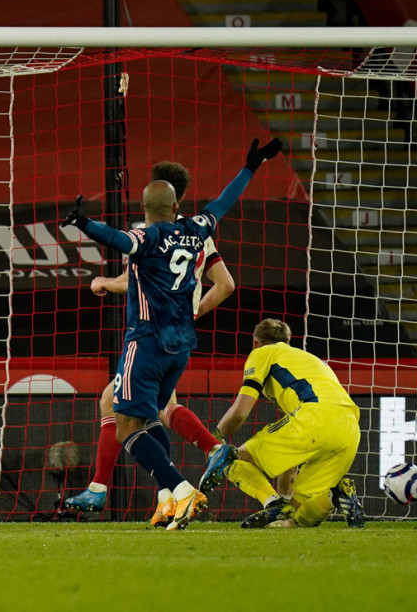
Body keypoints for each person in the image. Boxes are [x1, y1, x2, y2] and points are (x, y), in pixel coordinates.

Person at [62, 138, 283, 531]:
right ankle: (168, 494)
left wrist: (83, 223)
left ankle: (180, 490)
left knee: (124, 419)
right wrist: (251, 167)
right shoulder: (197, 229)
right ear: (178, 206)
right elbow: (222, 204)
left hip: (146, 341)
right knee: (150, 418)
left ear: (145, 210)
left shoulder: (145, 238)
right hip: (181, 345)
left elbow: (116, 239)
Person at [199, 319, 365, 528]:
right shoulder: (312, 359)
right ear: (288, 341)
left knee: (233, 459)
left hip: (314, 414)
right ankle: (335, 495)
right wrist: (287, 501)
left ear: (256, 343)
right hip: (350, 428)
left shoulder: (262, 353)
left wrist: (215, 440)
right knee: (294, 520)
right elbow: (290, 464)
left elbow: (240, 412)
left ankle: (272, 502)